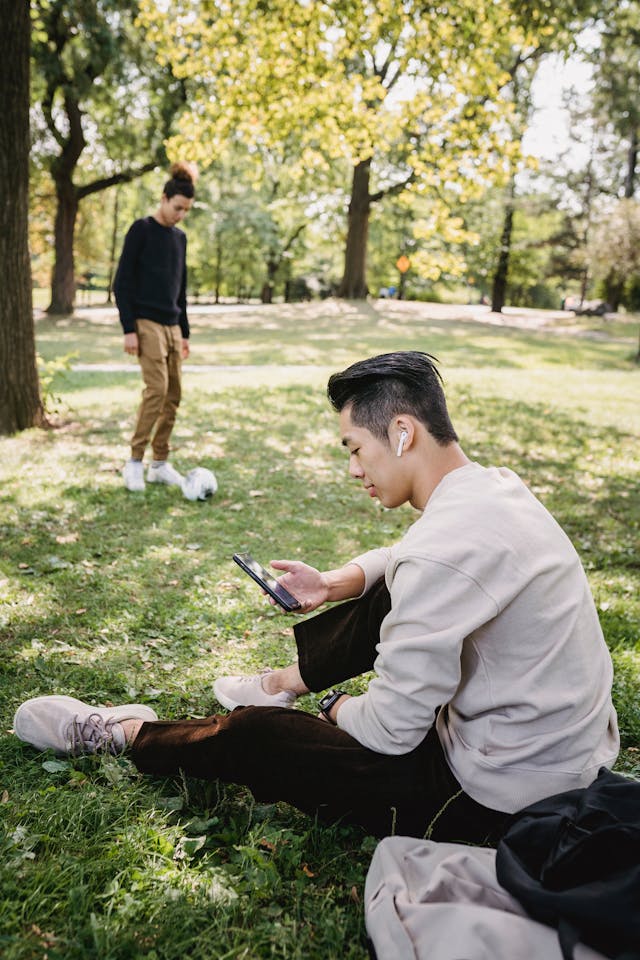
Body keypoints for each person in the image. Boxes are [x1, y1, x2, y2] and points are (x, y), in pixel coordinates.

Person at [13, 352, 619, 844]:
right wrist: (333, 584)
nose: (354, 469)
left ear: (402, 433)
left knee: (258, 737)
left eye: (356, 448)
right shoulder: (493, 491)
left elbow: (388, 731)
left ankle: (124, 735)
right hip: (559, 757)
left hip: (501, 797)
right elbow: (408, 561)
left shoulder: (441, 551)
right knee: (388, 588)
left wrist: (335, 711)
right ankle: (286, 680)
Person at [114, 161, 197, 493]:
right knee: (157, 391)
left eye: (186, 210)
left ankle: (159, 463)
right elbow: (122, 283)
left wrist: (185, 333)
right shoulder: (141, 229)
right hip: (145, 322)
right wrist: (128, 328)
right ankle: (134, 461)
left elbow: (180, 290)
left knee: (174, 394)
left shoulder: (180, 239)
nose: (180, 215)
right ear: (164, 198)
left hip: (173, 325)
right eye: (177, 207)